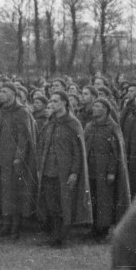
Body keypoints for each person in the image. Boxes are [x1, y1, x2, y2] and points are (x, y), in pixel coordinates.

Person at [33, 92, 92, 247]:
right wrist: (40, 167)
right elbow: (41, 146)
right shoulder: (50, 123)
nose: (52, 103)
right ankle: (54, 235)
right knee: (52, 205)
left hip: (65, 172)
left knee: (64, 204)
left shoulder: (73, 124)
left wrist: (74, 172)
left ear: (65, 103)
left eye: (56, 101)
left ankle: (61, 238)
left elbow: (79, 151)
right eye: (51, 100)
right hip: (48, 170)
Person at [0, 83, 35, 239]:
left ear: (14, 94)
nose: (1, 94)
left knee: (14, 194)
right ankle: (5, 224)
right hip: (0, 159)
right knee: (4, 193)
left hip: (14, 161)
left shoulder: (22, 112)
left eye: (5, 91)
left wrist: (18, 157)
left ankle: (14, 228)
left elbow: (24, 138)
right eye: (0, 91)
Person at [83, 97, 131, 240]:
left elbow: (116, 152)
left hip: (105, 170)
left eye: (97, 106)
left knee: (105, 200)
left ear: (105, 109)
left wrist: (111, 171)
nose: (94, 108)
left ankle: (103, 230)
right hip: (91, 168)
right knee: (93, 198)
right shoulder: (90, 125)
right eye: (94, 105)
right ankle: (94, 227)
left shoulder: (112, 127)